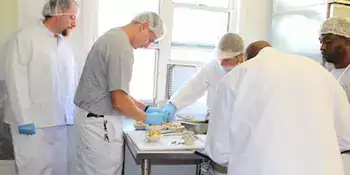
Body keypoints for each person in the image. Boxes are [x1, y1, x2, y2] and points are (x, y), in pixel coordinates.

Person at [205, 41, 350, 175]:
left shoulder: (237, 76)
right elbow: (346, 138)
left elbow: (219, 152)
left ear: (248, 58)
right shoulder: (321, 73)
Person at [73, 12, 166, 175]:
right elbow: (119, 102)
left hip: (92, 121)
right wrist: (147, 119)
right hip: (99, 125)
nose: (147, 45)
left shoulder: (113, 37)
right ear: (143, 27)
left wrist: (145, 109)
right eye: (150, 40)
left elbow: (117, 92)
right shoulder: (121, 47)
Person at [2, 0, 79, 174]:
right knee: (33, 169)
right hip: (32, 124)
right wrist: (24, 118)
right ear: (57, 13)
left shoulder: (63, 44)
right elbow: (16, 79)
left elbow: (68, 83)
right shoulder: (25, 38)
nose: (74, 24)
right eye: (71, 17)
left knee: (59, 169)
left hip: (59, 121)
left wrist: (70, 113)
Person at [162, 33, 244, 121]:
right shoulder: (213, 67)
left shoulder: (248, 72)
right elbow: (193, 87)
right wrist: (174, 104)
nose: (221, 63)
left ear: (240, 57)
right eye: (220, 59)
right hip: (215, 121)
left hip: (238, 123)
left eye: (227, 60)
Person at [320, 16, 350, 175]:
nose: (322, 47)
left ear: (347, 41)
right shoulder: (328, 76)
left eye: (328, 41)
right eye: (321, 41)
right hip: (330, 155)